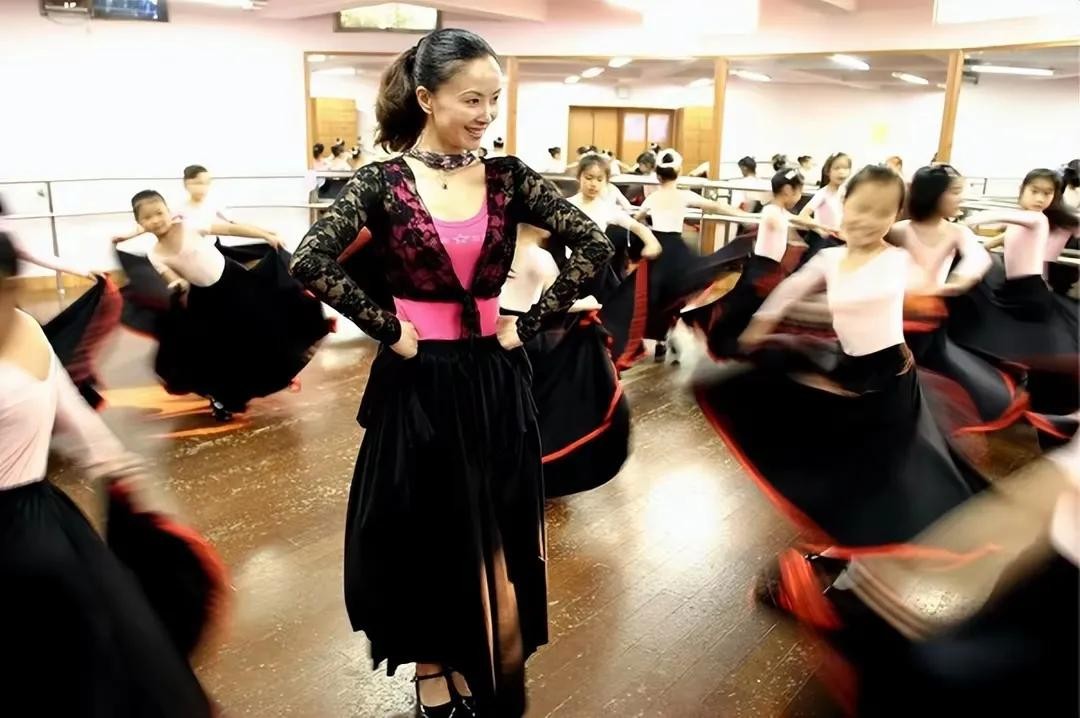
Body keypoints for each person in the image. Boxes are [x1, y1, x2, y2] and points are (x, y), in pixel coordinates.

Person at [288, 28, 612, 718]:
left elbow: (594, 243)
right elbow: (307, 258)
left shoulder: (508, 177)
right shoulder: (382, 182)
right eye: (472, 99)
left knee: (491, 524)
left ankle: (470, 651)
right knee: (423, 528)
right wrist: (387, 328)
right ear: (427, 97)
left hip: (494, 378)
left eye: (493, 100)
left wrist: (529, 320)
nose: (485, 114)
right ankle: (430, 663)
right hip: (420, 381)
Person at [695, 165, 984, 553]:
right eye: (861, 208)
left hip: (891, 378)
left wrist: (954, 282)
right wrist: (762, 323)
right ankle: (850, 540)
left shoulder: (898, 261)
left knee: (887, 466)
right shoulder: (829, 259)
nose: (868, 220)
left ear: (895, 217)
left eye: (882, 212)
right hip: (849, 369)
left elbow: (941, 276)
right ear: (844, 205)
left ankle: (874, 547)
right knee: (841, 456)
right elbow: (792, 288)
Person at [0, 232, 225, 717]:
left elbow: (70, 410)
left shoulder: (26, 327)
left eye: (6, 288)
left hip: (43, 524)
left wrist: (118, 468)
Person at [123, 190, 328, 421]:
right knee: (221, 350)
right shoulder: (155, 254)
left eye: (159, 213)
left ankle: (277, 371)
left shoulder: (189, 226)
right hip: (206, 300)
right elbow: (171, 278)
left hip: (235, 282)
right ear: (139, 223)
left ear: (168, 211)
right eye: (147, 217)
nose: (155, 220)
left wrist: (265, 235)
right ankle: (222, 397)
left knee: (263, 326)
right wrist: (177, 284)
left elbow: (230, 229)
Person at [887, 164, 1030, 436]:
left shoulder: (956, 232)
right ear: (933, 194)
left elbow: (978, 258)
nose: (960, 198)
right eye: (954, 192)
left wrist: (953, 285)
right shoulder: (899, 230)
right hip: (894, 315)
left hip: (929, 318)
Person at [500, 223, 630, 497]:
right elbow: (558, 302)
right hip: (524, 339)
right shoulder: (540, 257)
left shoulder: (496, 249)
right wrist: (590, 303)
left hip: (493, 337)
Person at [949, 168, 1079, 425]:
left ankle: (1032, 406)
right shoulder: (1022, 222)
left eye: (1047, 193)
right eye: (1035, 191)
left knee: (1026, 349)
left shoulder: (1037, 219)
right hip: (1015, 290)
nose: (1040, 198)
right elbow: (1002, 238)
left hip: (1030, 294)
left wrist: (965, 222)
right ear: (1022, 190)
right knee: (1020, 347)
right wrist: (974, 247)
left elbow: (999, 216)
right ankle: (1006, 397)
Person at [680, 169, 835, 358]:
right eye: (798, 192)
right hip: (761, 271)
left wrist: (819, 226)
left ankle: (746, 344)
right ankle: (735, 343)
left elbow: (794, 219)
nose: (800, 196)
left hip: (768, 270)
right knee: (742, 309)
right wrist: (796, 236)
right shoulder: (771, 212)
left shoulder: (780, 212)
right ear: (787, 190)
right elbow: (779, 221)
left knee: (751, 309)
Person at [1, 198, 120, 408]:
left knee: (35, 351)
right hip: (10, 310)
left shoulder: (5, 233)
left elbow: (29, 252)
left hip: (8, 310)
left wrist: (83, 271)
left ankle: (65, 398)